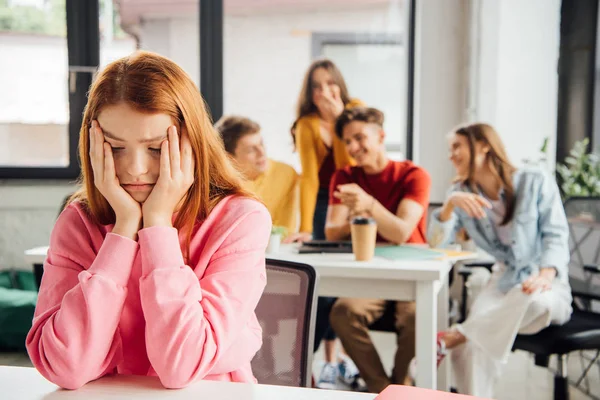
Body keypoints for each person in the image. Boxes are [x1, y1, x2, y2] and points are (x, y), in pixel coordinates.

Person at [25, 51, 271, 390]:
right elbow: (65, 367)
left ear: (192, 144)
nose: (135, 168)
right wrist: (124, 229)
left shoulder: (240, 220)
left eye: (156, 148)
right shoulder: (79, 222)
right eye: (115, 147)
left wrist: (157, 226)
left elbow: (181, 366)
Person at [428, 123, 572, 398]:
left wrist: (545, 275)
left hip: (545, 279)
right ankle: (465, 342)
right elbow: (436, 244)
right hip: (503, 280)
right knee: (471, 348)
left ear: (483, 144)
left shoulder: (534, 180)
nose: (451, 155)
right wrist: (448, 206)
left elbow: (556, 235)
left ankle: (455, 335)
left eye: (457, 146)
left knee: (535, 300)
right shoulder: (461, 193)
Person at [326, 107, 431, 393]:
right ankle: (381, 389)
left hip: (411, 270)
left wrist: (368, 204)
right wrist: (353, 214)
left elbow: (401, 232)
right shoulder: (344, 176)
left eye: (359, 138)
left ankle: (401, 385)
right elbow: (331, 231)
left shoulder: (414, 175)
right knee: (343, 313)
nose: (353, 148)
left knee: (414, 317)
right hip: (370, 269)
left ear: (381, 135)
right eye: (348, 142)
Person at [284, 58, 363, 389]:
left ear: (339, 85)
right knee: (324, 275)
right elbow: (310, 179)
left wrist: (340, 121)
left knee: (345, 273)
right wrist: (305, 225)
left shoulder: (357, 111)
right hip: (321, 203)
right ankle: (323, 361)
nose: (323, 92)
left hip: (353, 195)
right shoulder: (306, 125)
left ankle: (331, 359)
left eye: (329, 84)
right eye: (316, 87)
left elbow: (354, 167)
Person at [215, 115, 299, 236]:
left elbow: (285, 231)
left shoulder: (286, 174)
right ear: (229, 158)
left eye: (261, 143)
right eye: (251, 150)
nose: (262, 152)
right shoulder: (219, 184)